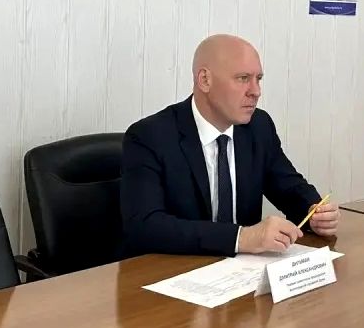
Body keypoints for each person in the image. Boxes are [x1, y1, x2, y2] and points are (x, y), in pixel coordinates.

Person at [121, 34, 339, 257]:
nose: (256, 91)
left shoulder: (258, 126)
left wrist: (314, 212)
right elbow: (144, 226)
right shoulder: (150, 136)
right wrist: (241, 238)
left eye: (258, 79)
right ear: (205, 80)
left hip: (243, 270)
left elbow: (289, 187)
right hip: (176, 269)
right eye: (243, 78)